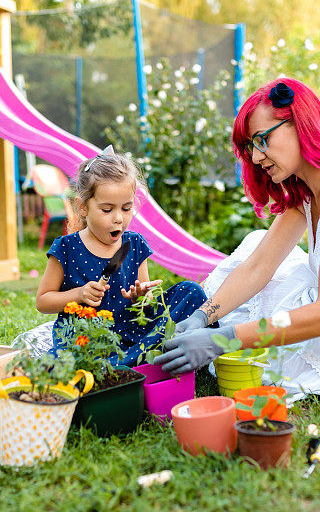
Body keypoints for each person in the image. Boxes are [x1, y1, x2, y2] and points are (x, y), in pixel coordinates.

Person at [154, 79, 320, 402]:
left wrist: (225, 340)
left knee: (264, 340)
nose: (256, 158)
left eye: (262, 140)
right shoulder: (309, 189)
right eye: (251, 147)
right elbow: (258, 266)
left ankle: (209, 342)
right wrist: (203, 314)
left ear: (300, 124)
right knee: (255, 243)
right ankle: (202, 335)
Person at [35, 146, 208, 366]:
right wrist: (79, 294)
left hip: (133, 332)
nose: (118, 219)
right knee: (65, 361)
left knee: (191, 292)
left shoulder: (134, 243)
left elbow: (146, 303)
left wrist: (141, 298)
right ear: (83, 207)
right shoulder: (66, 248)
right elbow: (43, 301)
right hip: (88, 338)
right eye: (107, 210)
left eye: (126, 208)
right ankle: (131, 364)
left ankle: (125, 363)